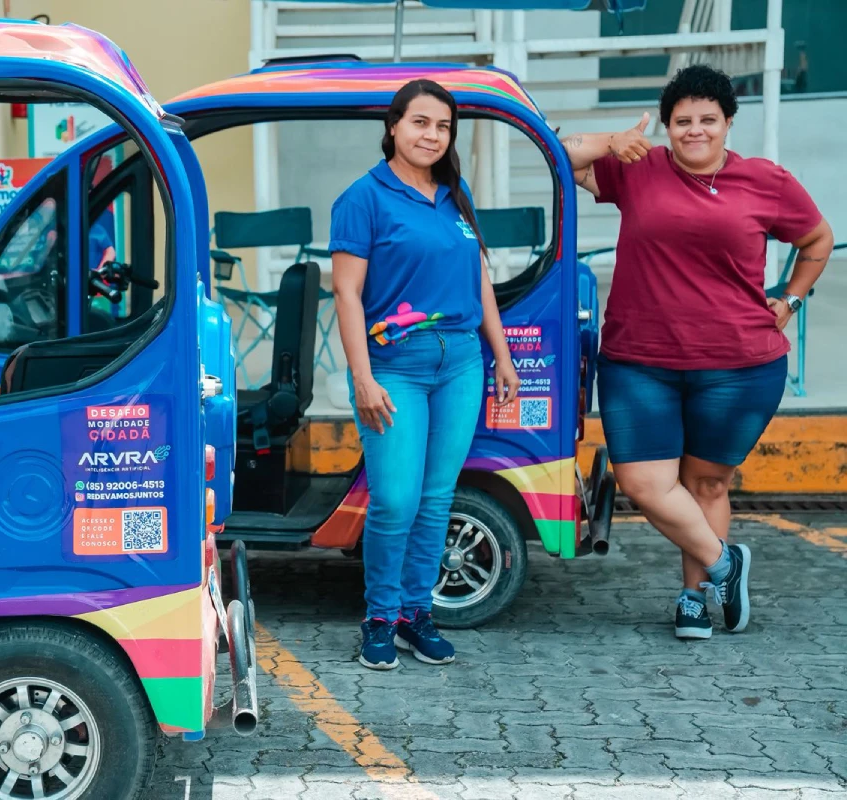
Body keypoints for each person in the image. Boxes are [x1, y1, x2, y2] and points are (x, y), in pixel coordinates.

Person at [560, 64, 833, 640]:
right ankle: (727, 563)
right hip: (640, 360)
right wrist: (613, 140)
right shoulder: (639, 169)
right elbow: (561, 154)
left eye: (708, 119)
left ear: (728, 123)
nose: (695, 130)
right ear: (666, 126)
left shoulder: (767, 183)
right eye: (682, 120)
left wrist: (790, 299)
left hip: (739, 365)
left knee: (706, 484)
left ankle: (694, 598)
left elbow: (817, 239)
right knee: (643, 483)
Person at [329, 79, 520, 670]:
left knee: (436, 499)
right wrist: (362, 378)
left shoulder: (454, 192)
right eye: (420, 123)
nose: (431, 135)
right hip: (396, 367)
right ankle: (380, 618)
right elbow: (347, 293)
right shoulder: (363, 198)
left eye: (442, 126)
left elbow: (479, 280)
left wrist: (502, 354)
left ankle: (416, 614)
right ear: (394, 126)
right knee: (394, 500)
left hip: (462, 361)